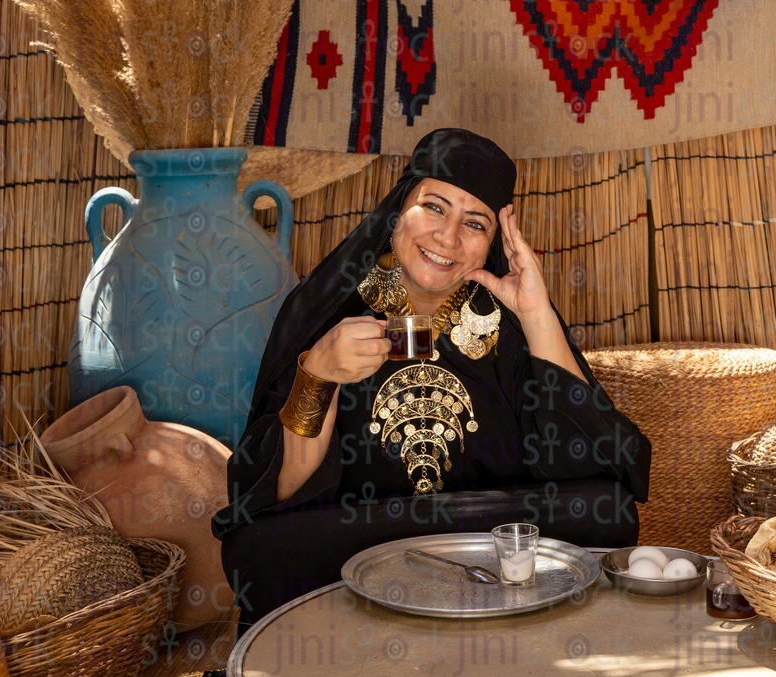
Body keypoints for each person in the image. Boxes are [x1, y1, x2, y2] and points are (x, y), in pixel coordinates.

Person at [213, 128, 651, 629]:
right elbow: (279, 489)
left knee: (607, 511)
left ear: (491, 246)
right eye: (435, 207)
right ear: (399, 209)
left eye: (475, 223)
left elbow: (594, 464)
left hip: (485, 538)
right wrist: (319, 373)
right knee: (261, 547)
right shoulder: (327, 312)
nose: (448, 237)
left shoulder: (506, 326)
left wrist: (535, 314)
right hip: (361, 535)